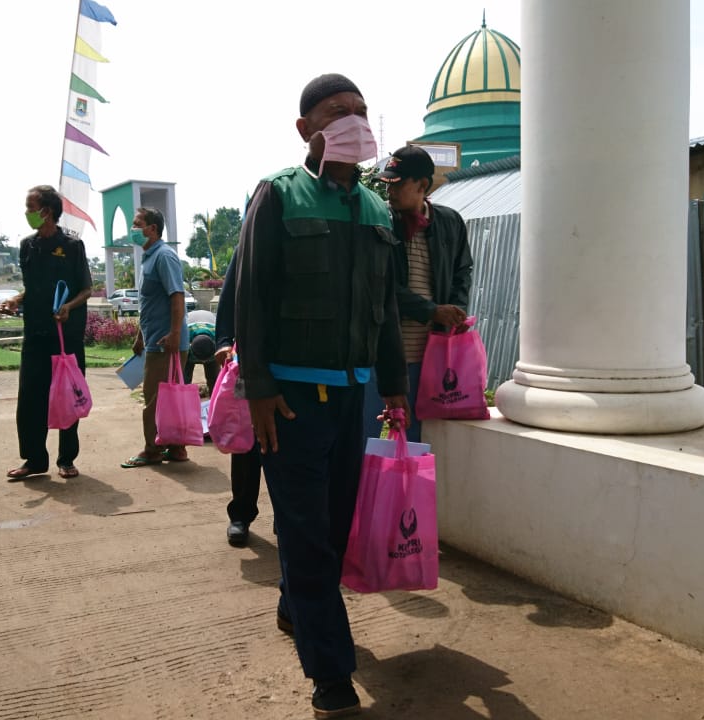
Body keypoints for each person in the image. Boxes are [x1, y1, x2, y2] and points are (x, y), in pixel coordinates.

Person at [233, 73, 409, 718]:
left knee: (332, 529)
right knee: (306, 532)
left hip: (359, 396)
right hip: (292, 402)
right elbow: (249, 297)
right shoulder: (278, 196)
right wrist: (258, 389)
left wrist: (395, 387)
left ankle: (294, 602)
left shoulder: (374, 208)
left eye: (361, 111)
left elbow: (385, 307)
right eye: (338, 112)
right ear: (306, 128)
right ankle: (330, 670)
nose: (353, 122)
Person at [362, 144, 474, 442]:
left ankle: (408, 491)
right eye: (388, 184)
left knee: (419, 440)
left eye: (398, 184)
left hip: (431, 355)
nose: (390, 191)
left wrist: (455, 309)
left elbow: (463, 271)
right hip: (382, 355)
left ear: (423, 185)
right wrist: (431, 311)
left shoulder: (450, 223)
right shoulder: (379, 222)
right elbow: (379, 286)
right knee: (365, 437)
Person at [0, 185, 92, 481]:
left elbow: (86, 288)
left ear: (46, 211)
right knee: (30, 399)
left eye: (30, 207)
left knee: (68, 396)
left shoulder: (73, 245)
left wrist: (68, 306)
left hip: (66, 337)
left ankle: (67, 459)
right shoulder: (27, 246)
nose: (27, 213)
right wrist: (18, 299)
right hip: (35, 335)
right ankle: (34, 459)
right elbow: (35, 288)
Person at [120, 206, 188, 468]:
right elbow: (149, 302)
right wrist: (140, 335)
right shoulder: (149, 257)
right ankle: (176, 447)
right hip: (156, 340)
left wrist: (174, 333)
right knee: (168, 398)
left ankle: (152, 449)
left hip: (166, 344)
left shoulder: (164, 257)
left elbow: (177, 296)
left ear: (153, 229)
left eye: (138, 224)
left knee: (153, 398)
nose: (133, 229)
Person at [213, 256, 262, 548]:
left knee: (289, 442)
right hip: (247, 362)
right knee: (245, 441)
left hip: (292, 362)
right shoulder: (248, 247)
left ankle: (286, 518)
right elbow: (229, 295)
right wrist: (223, 342)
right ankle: (241, 515)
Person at [183, 307, 219, 392]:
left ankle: (213, 399)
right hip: (190, 324)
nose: (204, 362)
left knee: (214, 378)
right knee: (184, 379)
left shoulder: (218, 334)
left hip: (210, 323)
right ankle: (185, 396)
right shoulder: (184, 335)